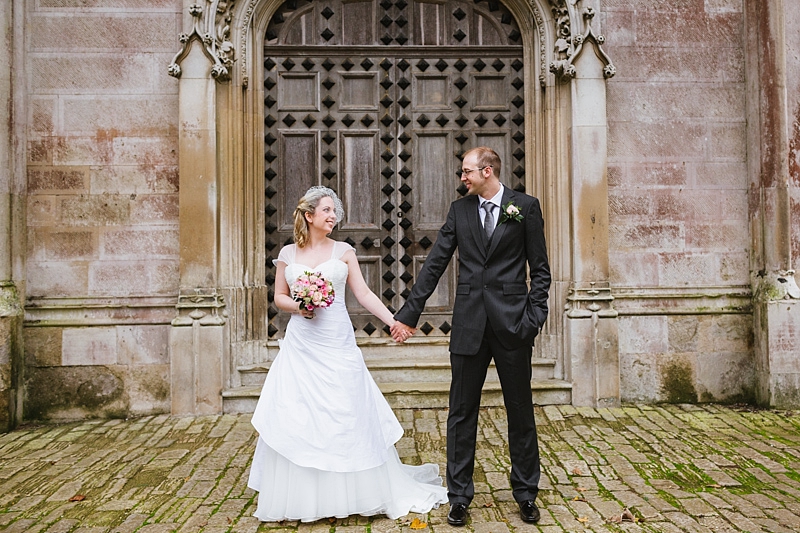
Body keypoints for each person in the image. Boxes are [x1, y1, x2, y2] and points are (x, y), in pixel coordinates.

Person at [248, 186, 447, 523]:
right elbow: (279, 297)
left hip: (337, 342)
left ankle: (357, 491)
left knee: (346, 410)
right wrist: (300, 306)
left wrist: (394, 322)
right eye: (326, 210)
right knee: (299, 413)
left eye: (334, 211)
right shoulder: (287, 253)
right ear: (309, 215)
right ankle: (304, 496)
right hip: (302, 345)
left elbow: (364, 294)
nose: (332, 216)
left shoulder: (343, 251)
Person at [391, 147, 551, 526]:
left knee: (520, 410)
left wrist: (533, 317)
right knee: (462, 412)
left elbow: (540, 268)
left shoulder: (525, 207)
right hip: (469, 326)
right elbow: (435, 264)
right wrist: (409, 314)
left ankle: (526, 493)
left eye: (467, 172)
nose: (462, 178)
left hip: (514, 326)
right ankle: (459, 495)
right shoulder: (460, 211)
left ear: (487, 170)